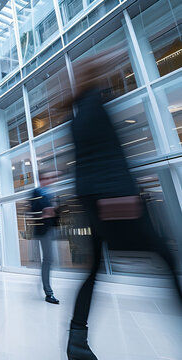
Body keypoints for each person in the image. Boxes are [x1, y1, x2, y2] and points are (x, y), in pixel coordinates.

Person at [67, 53, 182, 360]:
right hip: (114, 198)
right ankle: (76, 340)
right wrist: (130, 195)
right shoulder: (96, 106)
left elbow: (86, 165)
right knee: (167, 256)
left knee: (93, 270)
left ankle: (76, 340)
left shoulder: (78, 113)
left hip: (95, 200)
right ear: (96, 75)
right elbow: (110, 158)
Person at [30, 171, 60, 305]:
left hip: (51, 228)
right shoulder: (36, 192)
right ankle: (49, 293)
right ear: (42, 179)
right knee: (48, 259)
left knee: (49, 260)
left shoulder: (49, 194)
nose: (50, 180)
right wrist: (45, 213)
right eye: (47, 178)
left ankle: (45, 283)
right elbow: (33, 212)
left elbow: (54, 212)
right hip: (43, 230)